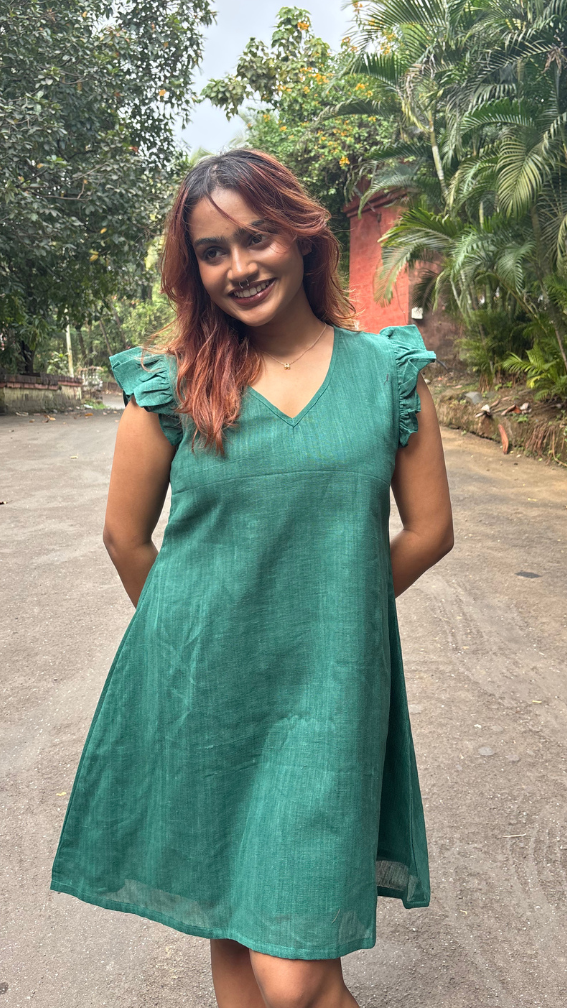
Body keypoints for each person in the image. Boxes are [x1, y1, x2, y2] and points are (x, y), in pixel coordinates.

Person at [51, 149, 453, 1008]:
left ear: (302, 237)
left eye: (255, 237)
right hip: (207, 695)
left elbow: (429, 532)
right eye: (212, 250)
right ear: (192, 269)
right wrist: (199, 643)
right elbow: (126, 540)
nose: (238, 266)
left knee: (293, 976)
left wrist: (328, 613)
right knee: (236, 924)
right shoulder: (169, 388)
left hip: (328, 698)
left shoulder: (388, 373)